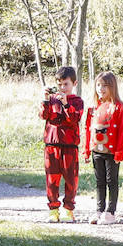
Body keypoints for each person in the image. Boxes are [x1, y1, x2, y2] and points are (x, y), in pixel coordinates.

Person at [83, 71, 123, 225]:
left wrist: (120, 152)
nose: (101, 89)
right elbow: (88, 129)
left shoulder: (119, 107)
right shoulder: (93, 108)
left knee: (111, 181)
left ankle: (110, 211)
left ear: (112, 87)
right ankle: (99, 209)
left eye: (105, 86)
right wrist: (86, 150)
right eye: (98, 85)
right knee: (99, 181)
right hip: (97, 150)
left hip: (112, 152)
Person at [39, 67, 84, 221]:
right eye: (59, 85)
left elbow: (74, 119)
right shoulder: (51, 100)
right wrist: (45, 99)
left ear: (74, 83)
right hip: (51, 145)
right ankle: (53, 209)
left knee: (71, 179)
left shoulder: (77, 101)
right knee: (52, 179)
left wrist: (65, 104)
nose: (62, 88)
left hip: (70, 145)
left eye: (66, 84)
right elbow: (43, 115)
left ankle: (68, 209)